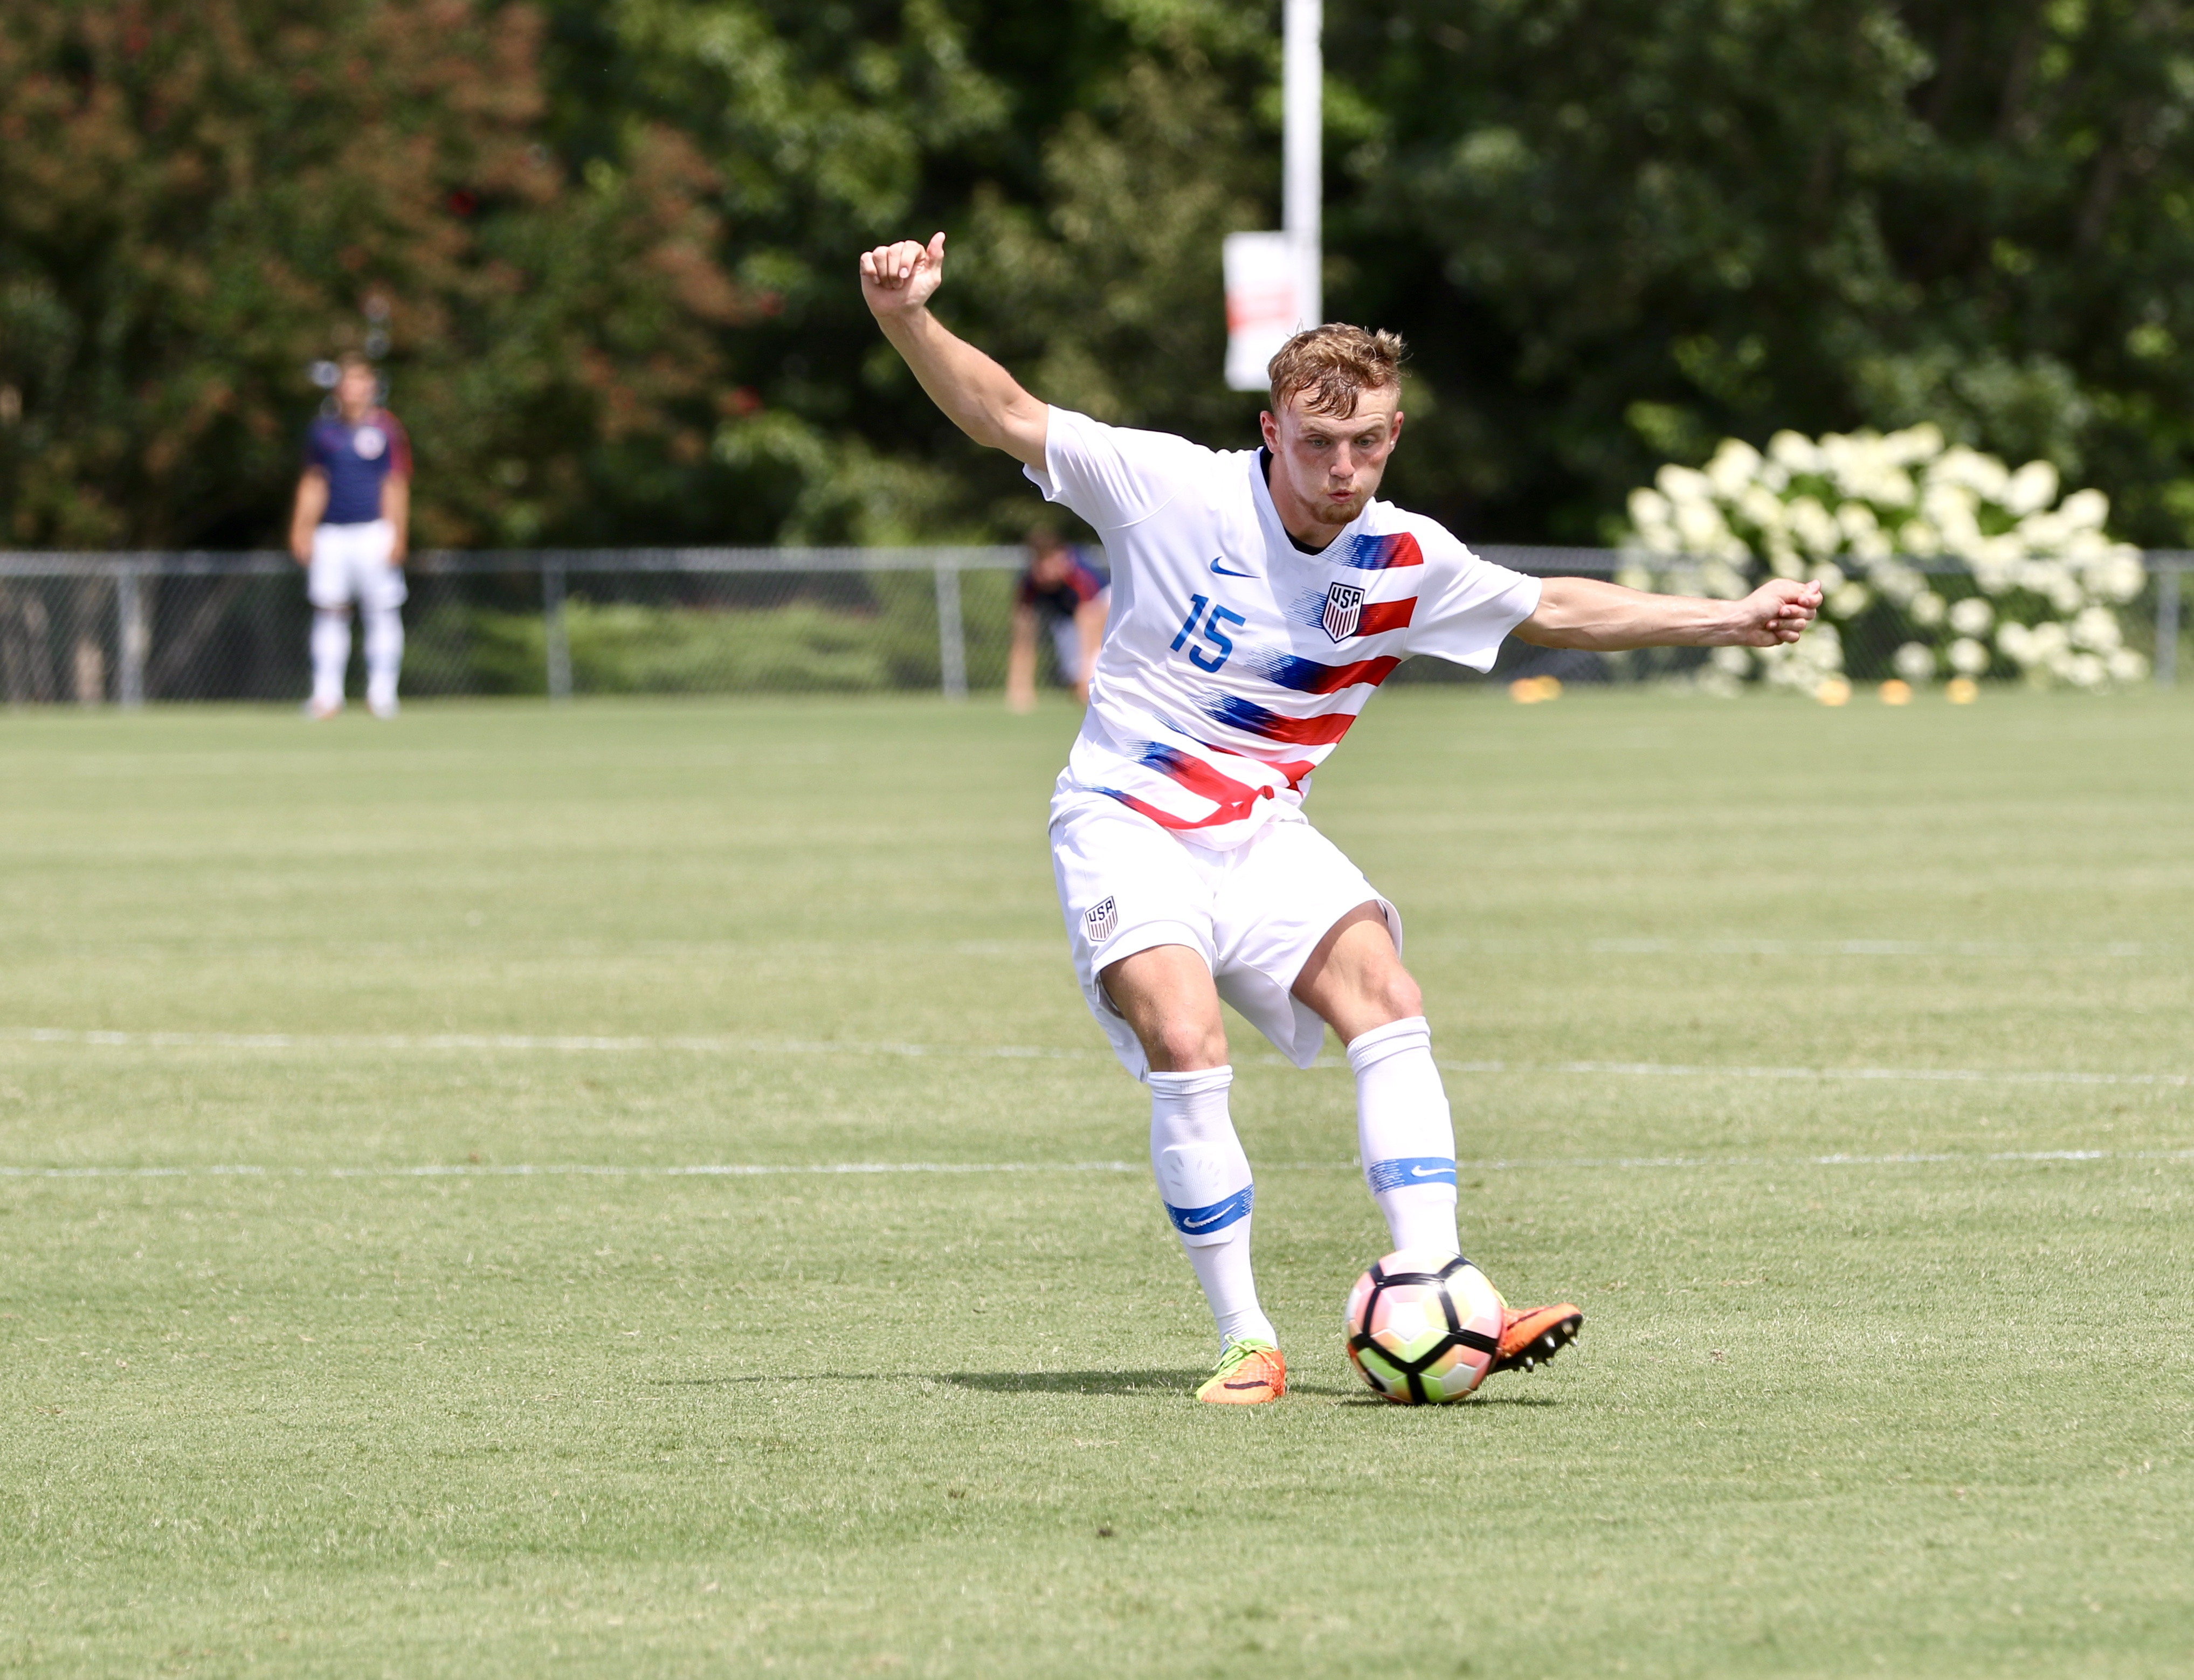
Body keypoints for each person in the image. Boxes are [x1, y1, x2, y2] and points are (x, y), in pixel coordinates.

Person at [859, 231, 1822, 1405]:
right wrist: (907, 318)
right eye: (1317, 442)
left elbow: (1557, 607)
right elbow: (1003, 412)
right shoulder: (1171, 485)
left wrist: (1730, 618)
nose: (1342, 466)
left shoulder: (1405, 557)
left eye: (1366, 442)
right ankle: (1245, 1338)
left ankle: (1438, 1281)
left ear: (1392, 438)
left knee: (1387, 994)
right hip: (1127, 817)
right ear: (1271, 432)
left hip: (1263, 830)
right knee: (1182, 1031)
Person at [289, 354, 411, 719]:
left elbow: (396, 483)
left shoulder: (387, 430)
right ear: (339, 389)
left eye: (361, 382)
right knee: (329, 612)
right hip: (331, 534)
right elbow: (314, 482)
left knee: (383, 611)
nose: (354, 390)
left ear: (372, 387)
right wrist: (301, 528)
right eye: (348, 382)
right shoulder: (323, 432)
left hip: (374, 530)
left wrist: (398, 532)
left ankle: (382, 695)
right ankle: (326, 696)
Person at [1007, 527, 1109, 711]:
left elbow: (1090, 624)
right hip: (1068, 620)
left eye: (1048, 562)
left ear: (1063, 557)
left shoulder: (1079, 576)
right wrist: (1020, 687)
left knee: (1086, 682)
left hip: (1105, 614)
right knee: (1074, 684)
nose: (1044, 571)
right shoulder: (1030, 583)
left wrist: (1087, 673)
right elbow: (1022, 636)